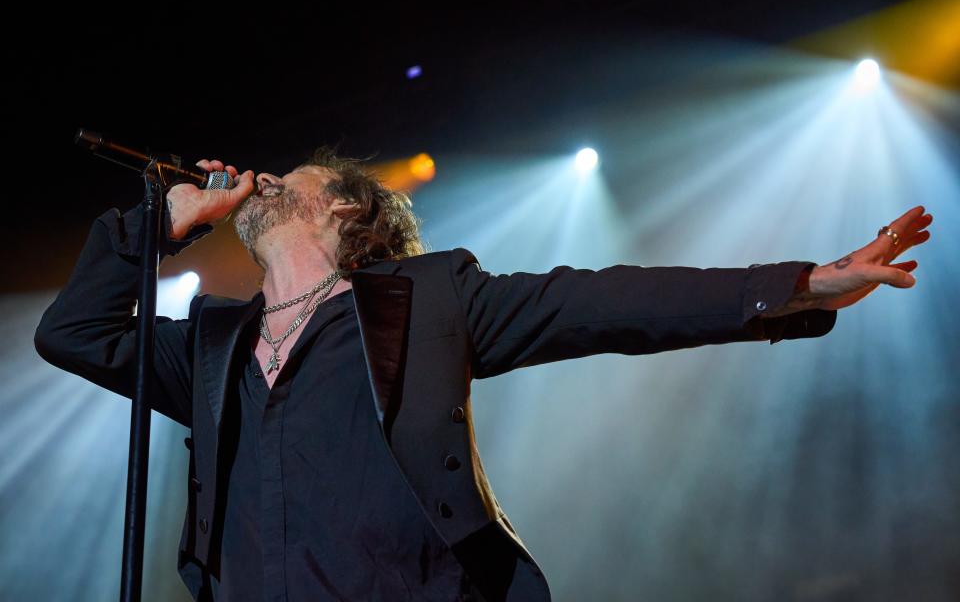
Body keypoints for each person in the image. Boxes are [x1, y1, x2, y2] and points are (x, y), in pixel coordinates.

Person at [34, 146, 932, 601]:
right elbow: (73, 333)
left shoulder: (430, 301)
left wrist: (804, 284)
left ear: (342, 207)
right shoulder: (211, 345)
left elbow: (606, 303)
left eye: (289, 179)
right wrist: (157, 226)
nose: (258, 183)